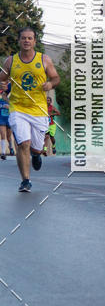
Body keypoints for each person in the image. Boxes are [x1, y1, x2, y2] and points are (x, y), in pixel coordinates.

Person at [0, 27, 60, 192]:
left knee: (36, 148)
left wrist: (50, 84)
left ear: (34, 41)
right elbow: (2, 79)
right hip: (17, 108)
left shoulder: (44, 59)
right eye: (23, 38)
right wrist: (3, 85)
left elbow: (56, 77)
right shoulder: (10, 61)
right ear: (19, 41)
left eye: (29, 38)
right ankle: (25, 180)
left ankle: (36, 154)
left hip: (39, 110)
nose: (26, 40)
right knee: (23, 143)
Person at [0, 89, 10, 160]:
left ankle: (11, 146)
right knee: (3, 135)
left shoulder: (9, 100)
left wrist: (9, 107)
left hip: (9, 119)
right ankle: (3, 153)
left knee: (8, 137)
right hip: (1, 119)